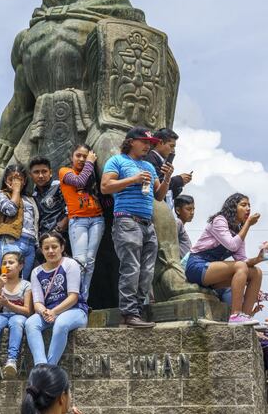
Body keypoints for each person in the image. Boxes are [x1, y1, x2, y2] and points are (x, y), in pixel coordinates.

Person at [101, 127, 173, 328]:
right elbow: (105, 187)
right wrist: (133, 179)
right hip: (127, 220)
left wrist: (167, 178)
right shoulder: (117, 161)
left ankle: (138, 311)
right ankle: (128, 313)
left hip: (147, 223)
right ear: (131, 141)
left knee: (147, 271)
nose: (148, 145)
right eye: (144, 141)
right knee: (131, 268)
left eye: (150, 142)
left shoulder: (149, 167)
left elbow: (159, 195)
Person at [185, 193, 263, 325]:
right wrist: (248, 224)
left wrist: (260, 257)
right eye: (243, 205)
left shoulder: (239, 230)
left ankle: (246, 316)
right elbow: (231, 245)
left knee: (256, 272)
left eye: (249, 205)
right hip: (197, 266)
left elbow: (243, 260)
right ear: (233, 207)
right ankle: (235, 315)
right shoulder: (220, 220)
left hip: (214, 272)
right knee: (241, 267)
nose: (248, 208)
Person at [25, 231, 88, 365]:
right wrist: (45, 312)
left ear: (62, 247)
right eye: (46, 248)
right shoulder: (36, 272)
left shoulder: (70, 264)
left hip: (75, 311)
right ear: (41, 250)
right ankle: (40, 364)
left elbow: (73, 297)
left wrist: (54, 312)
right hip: (48, 313)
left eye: (54, 247)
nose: (51, 251)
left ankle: (50, 366)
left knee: (61, 324)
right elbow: (37, 302)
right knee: (30, 323)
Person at [59, 144, 104, 301]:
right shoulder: (65, 172)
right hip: (78, 220)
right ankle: (73, 297)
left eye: (85, 156)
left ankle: (83, 299)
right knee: (80, 261)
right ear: (71, 156)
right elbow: (79, 182)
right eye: (78, 155)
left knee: (90, 262)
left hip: (97, 219)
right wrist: (90, 162)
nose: (82, 159)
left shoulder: (92, 175)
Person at [0, 251, 32, 379]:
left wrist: (8, 304)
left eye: (11, 262)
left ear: (20, 266)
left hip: (18, 315)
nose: (8, 265)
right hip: (1, 315)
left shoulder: (26, 285)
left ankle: (12, 360)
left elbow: (27, 311)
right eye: (4, 263)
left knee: (17, 323)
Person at [0, 164, 39, 280]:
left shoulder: (30, 199)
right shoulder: (0, 195)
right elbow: (10, 210)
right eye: (11, 179)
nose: (16, 182)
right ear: (5, 180)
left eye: (19, 180)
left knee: (23, 283)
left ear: (25, 181)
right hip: (10, 241)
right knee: (9, 279)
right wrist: (16, 190)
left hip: (30, 244)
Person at [145, 128, 192, 206]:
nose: (173, 150)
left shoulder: (161, 161)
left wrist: (180, 184)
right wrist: (179, 180)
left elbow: (167, 193)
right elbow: (158, 186)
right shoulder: (151, 159)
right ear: (160, 142)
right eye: (171, 146)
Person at [29, 156, 68, 239]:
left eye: (44, 171)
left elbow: (71, 205)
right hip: (43, 239)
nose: (40, 175)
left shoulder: (59, 186)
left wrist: (63, 224)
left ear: (50, 173)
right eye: (36, 172)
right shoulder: (33, 196)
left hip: (63, 236)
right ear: (31, 175)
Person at [174, 195, 195, 260]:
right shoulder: (177, 223)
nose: (192, 213)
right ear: (178, 210)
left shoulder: (181, 226)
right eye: (188, 209)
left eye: (193, 209)